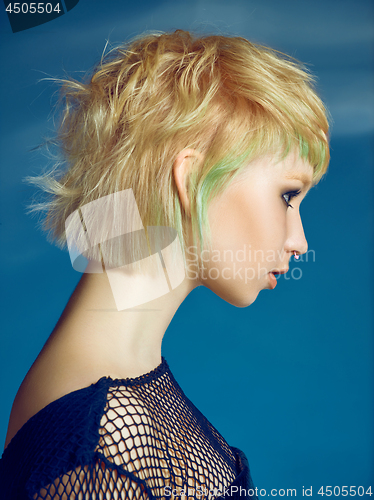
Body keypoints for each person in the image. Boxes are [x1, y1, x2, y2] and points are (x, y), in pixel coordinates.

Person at [0, 29, 329, 499]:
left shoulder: (127, 394)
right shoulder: (99, 447)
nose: (299, 241)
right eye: (288, 195)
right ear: (192, 179)